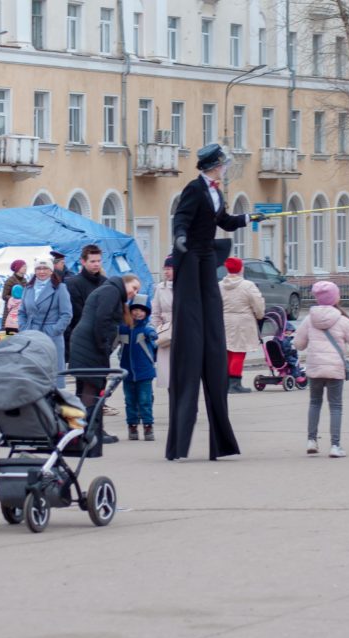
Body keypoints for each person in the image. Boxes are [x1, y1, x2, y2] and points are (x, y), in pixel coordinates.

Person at [167, 143, 267, 461]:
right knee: (193, 311)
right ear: (212, 166)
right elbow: (180, 218)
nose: (224, 169)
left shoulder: (217, 192)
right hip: (192, 254)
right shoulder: (194, 189)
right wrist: (180, 237)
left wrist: (248, 218)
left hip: (208, 253)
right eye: (222, 165)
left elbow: (223, 220)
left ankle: (221, 442)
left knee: (212, 314)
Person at [294, 281, 349, 458]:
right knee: (335, 406)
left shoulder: (309, 319)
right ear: (336, 298)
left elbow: (298, 344)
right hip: (335, 369)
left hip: (315, 367)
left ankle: (311, 441)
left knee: (314, 403)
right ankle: (335, 446)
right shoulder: (342, 320)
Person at [69, 274, 142, 446]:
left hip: (85, 343)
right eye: (133, 288)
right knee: (92, 387)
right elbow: (102, 319)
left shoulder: (109, 290)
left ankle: (84, 430)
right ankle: (90, 432)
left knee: (86, 388)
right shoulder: (112, 291)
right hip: (90, 346)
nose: (134, 293)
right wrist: (104, 345)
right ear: (125, 284)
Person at [18, 257, 73, 386]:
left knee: (52, 376)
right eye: (38, 268)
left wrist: (55, 330)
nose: (41, 271)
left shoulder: (60, 288)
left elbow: (66, 314)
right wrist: (24, 328)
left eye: (45, 268)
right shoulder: (28, 288)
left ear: (51, 271)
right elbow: (22, 312)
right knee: (33, 373)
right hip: (31, 334)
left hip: (51, 335)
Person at [220, 256, 265, 394]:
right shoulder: (247, 285)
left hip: (224, 320)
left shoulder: (220, 285)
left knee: (227, 352)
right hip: (243, 321)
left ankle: (226, 383)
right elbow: (258, 304)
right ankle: (235, 383)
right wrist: (260, 315)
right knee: (239, 352)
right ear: (241, 269)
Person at [118, 294, 158, 441]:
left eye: (142, 310)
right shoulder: (123, 328)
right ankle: (132, 426)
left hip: (145, 371)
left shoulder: (146, 328)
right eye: (135, 310)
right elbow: (115, 342)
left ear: (147, 312)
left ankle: (148, 426)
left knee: (145, 400)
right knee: (129, 401)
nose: (138, 313)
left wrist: (152, 335)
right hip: (127, 371)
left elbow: (152, 333)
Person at [65, 244, 107, 359]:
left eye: (99, 261)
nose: (97, 264)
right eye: (92, 261)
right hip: (79, 339)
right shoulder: (72, 284)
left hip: (102, 340)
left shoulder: (106, 283)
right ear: (83, 262)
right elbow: (75, 314)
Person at [150, 255, 175, 389]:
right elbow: (155, 312)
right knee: (168, 371)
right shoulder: (160, 288)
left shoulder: (185, 286)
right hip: (166, 332)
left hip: (184, 331)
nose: (166, 272)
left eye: (169, 268)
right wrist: (157, 329)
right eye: (165, 268)